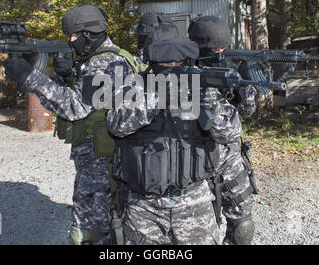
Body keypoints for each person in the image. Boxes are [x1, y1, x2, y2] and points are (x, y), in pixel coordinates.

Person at [4, 4, 138, 245]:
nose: (70, 40)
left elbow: (74, 107)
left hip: (102, 165)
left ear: (89, 36)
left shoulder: (106, 63)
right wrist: (64, 77)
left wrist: (29, 76)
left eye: (74, 36)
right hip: (98, 161)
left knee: (91, 231)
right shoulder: (97, 60)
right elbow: (76, 97)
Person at [107, 37, 230, 245]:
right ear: (154, 65)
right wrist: (157, 97)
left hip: (194, 203)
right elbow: (116, 125)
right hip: (144, 207)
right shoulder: (134, 87)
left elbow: (230, 134)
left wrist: (213, 108)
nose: (173, 69)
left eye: (178, 64)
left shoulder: (201, 87)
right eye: (166, 64)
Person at [188, 15, 258, 245]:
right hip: (194, 162)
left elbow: (246, 111)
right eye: (215, 48)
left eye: (223, 47)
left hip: (229, 160)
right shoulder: (183, 73)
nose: (221, 52)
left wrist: (247, 85)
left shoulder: (228, 66)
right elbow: (223, 129)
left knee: (242, 226)